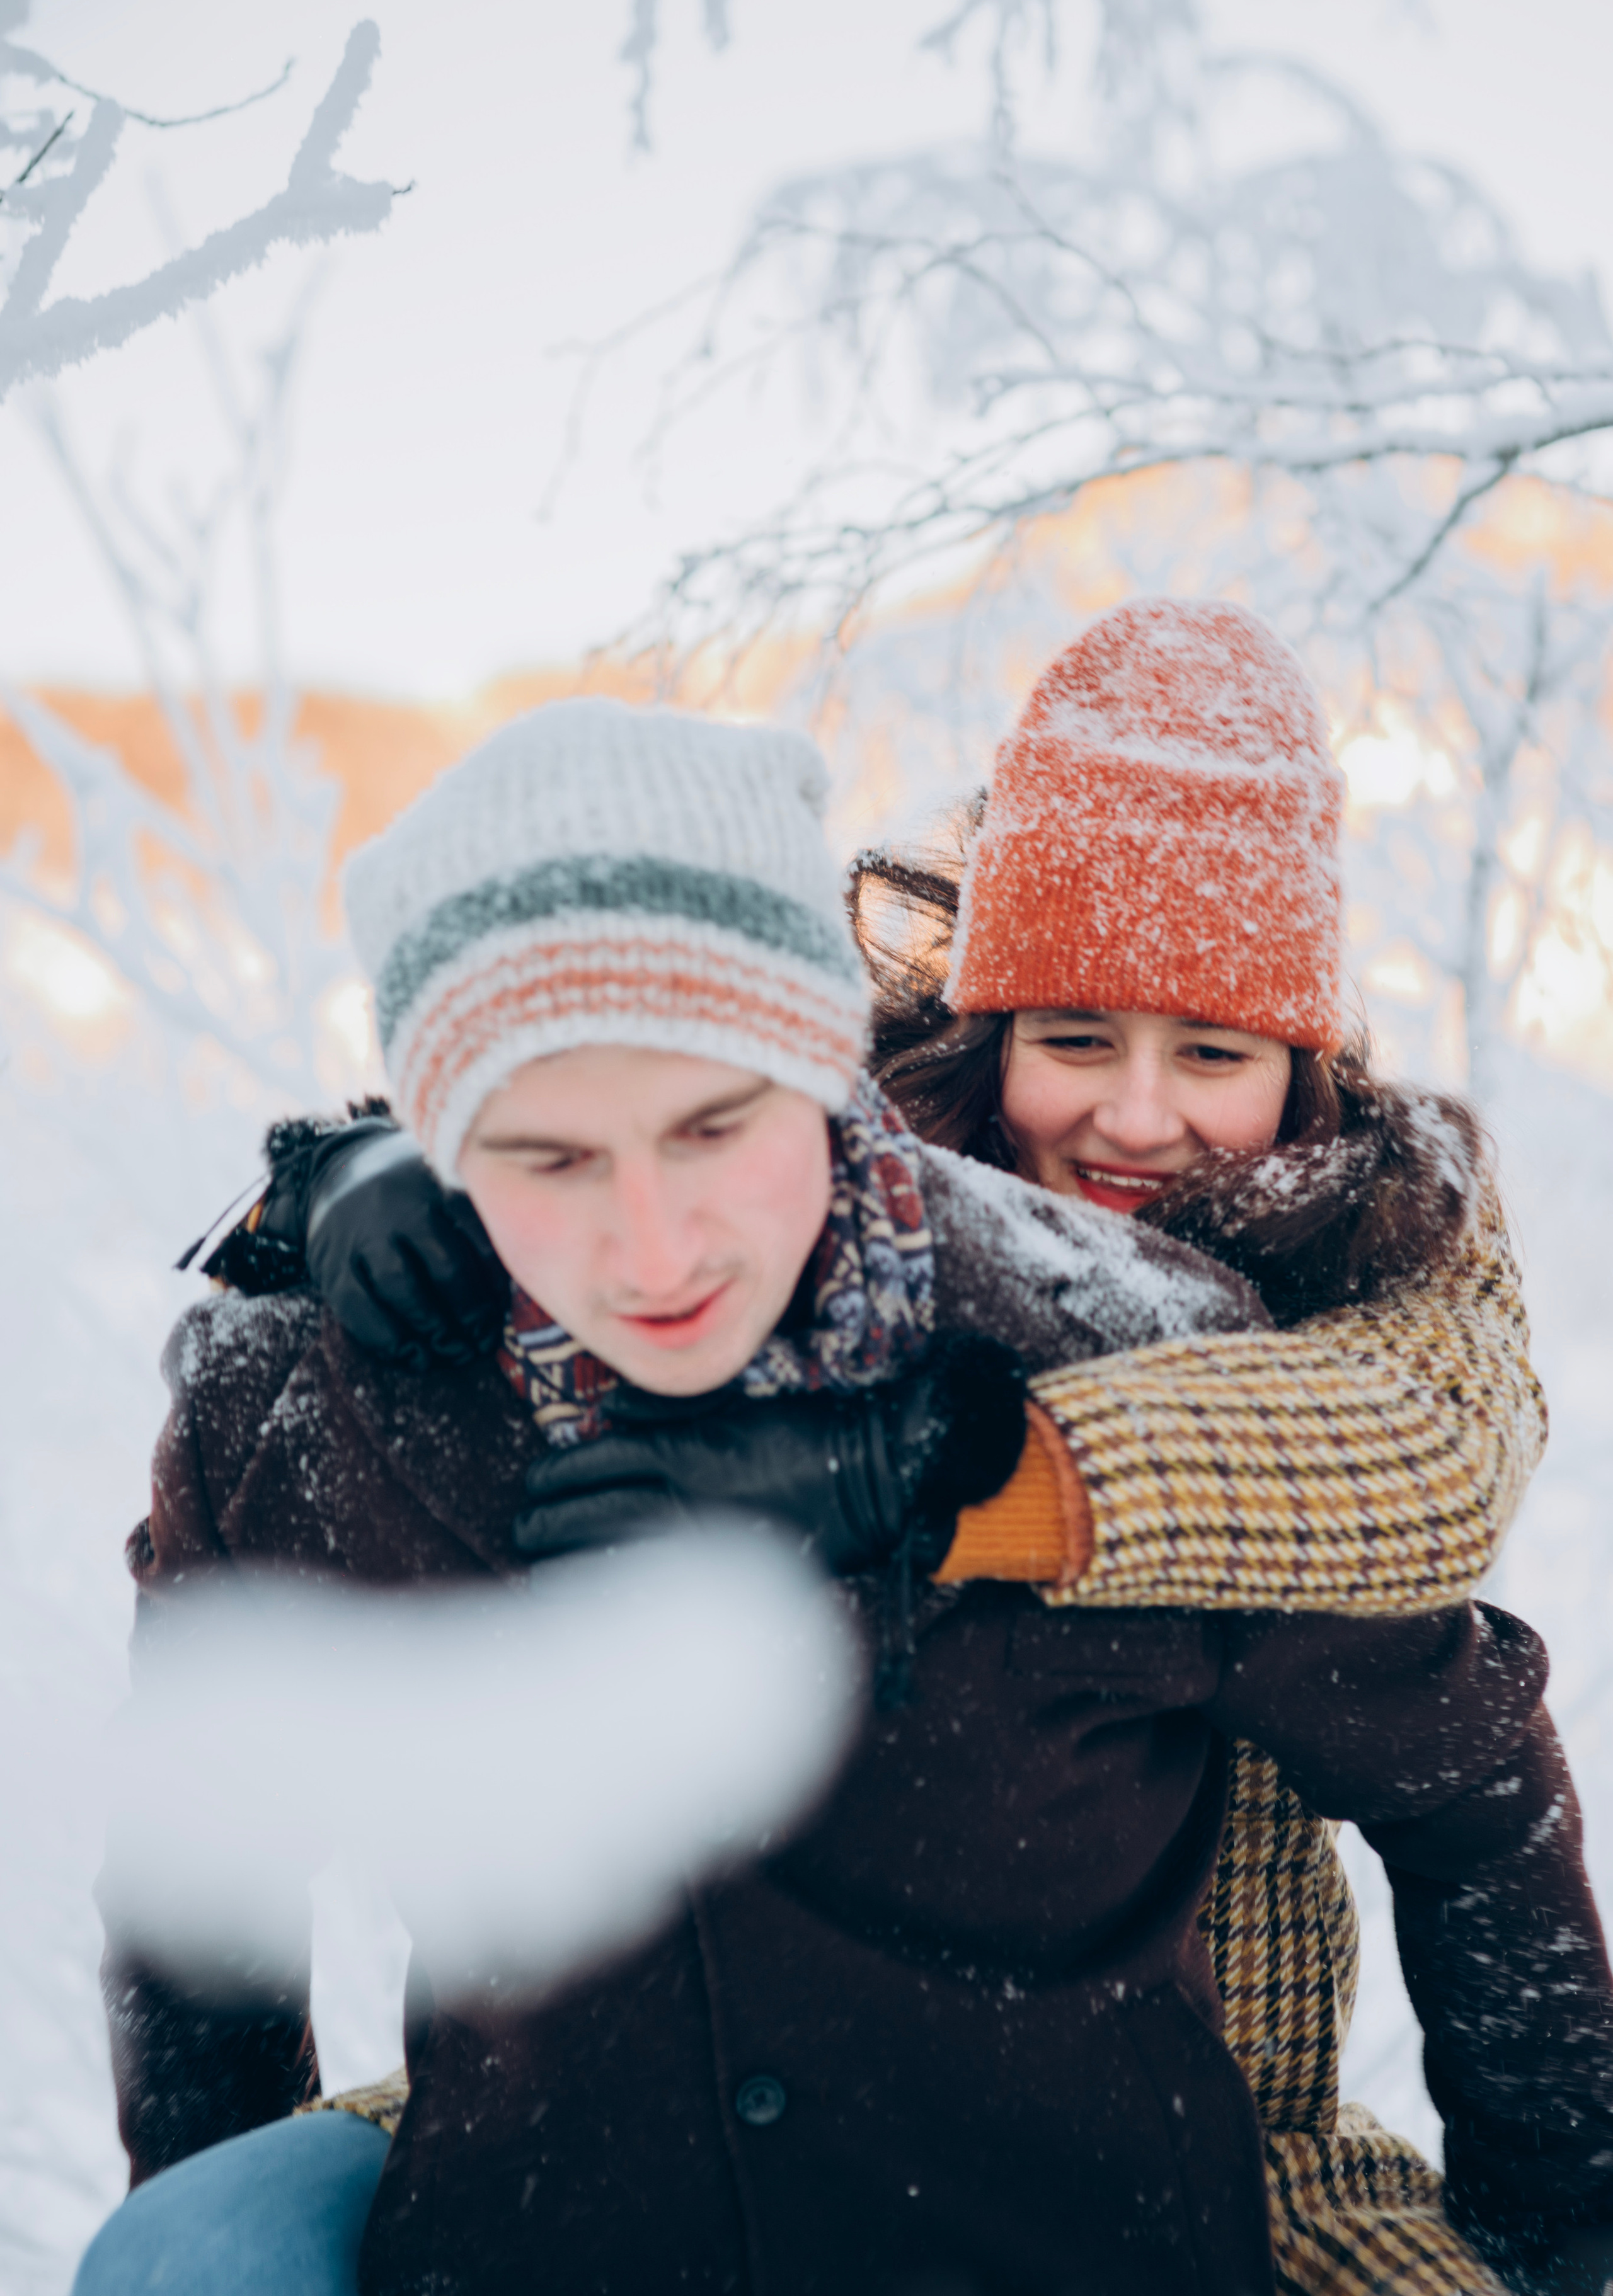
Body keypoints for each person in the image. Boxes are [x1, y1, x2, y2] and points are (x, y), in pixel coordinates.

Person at [82, 694, 1613, 2296]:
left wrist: (1559, 2219)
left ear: (829, 1080)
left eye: (717, 1128)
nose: (656, 1246)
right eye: (546, 1156)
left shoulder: (1124, 1348)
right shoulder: (296, 1412)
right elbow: (203, 1861)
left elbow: (1460, 1748)